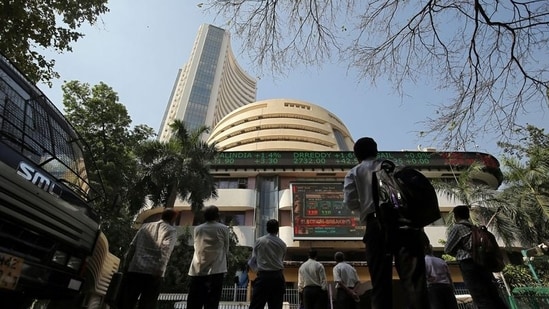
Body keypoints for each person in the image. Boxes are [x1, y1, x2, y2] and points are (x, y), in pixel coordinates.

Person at [343, 137, 430, 309]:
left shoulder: (355, 172)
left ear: (357, 155)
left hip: (376, 225)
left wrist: (367, 208)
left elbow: (350, 202)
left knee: (380, 281)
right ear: (376, 151)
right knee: (414, 281)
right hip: (406, 225)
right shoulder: (395, 167)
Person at [444, 205, 508, 309]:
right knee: (492, 294)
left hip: (468, 265)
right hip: (482, 262)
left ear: (456, 216)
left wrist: (457, 252)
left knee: (479, 295)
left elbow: (447, 249)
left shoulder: (458, 228)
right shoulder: (474, 228)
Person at [118, 208, 178, 309]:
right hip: (153, 272)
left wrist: (126, 265)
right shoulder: (171, 231)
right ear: (172, 219)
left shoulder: (145, 227)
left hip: (135, 269)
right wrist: (160, 270)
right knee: (147, 304)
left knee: (127, 302)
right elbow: (165, 251)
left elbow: (132, 246)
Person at [187, 205, 230, 309]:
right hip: (216, 271)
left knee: (194, 303)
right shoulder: (224, 228)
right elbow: (226, 248)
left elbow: (196, 246)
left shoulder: (198, 229)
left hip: (198, 270)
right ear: (217, 215)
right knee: (212, 304)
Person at [248, 219, 287, 309]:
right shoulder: (282, 244)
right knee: (276, 306)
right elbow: (281, 260)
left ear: (267, 229)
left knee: (256, 305)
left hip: (263, 277)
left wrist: (258, 271)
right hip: (278, 277)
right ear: (277, 229)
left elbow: (252, 261)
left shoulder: (259, 241)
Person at [424, 244, 458, 309]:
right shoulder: (441, 261)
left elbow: (425, 276)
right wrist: (452, 286)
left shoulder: (424, 261)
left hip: (433, 287)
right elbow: (448, 275)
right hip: (446, 287)